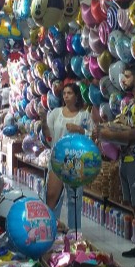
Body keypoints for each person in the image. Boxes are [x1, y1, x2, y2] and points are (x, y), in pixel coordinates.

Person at [96, 63, 135, 267]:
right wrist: (104, 128)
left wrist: (108, 134)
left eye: (128, 76)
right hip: (127, 159)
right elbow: (120, 125)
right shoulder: (131, 104)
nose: (123, 80)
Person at [41, 83, 91, 231]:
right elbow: (48, 135)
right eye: (64, 93)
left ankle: (74, 233)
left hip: (76, 161)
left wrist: (80, 130)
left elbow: (92, 137)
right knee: (51, 195)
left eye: (69, 93)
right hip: (57, 158)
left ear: (76, 96)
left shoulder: (84, 116)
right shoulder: (55, 113)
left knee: (74, 199)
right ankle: (50, 228)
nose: (66, 96)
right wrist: (43, 121)